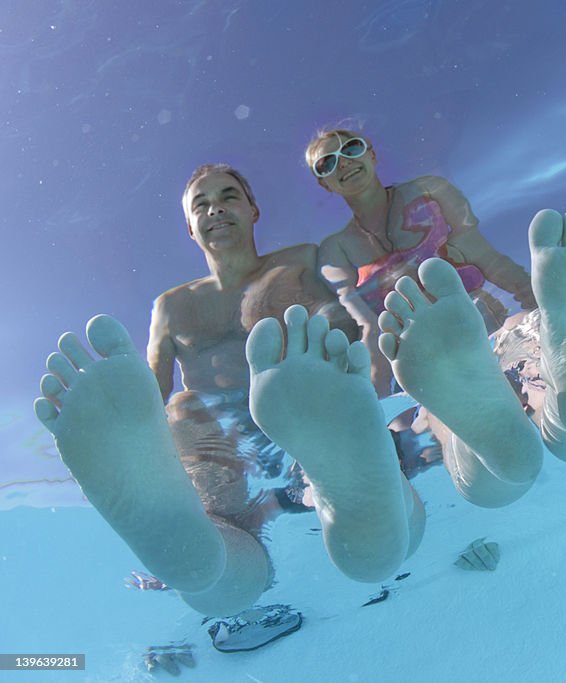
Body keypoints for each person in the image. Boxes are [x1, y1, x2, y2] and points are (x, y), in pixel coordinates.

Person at [34, 165, 425, 617]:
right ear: (190, 227)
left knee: (328, 453)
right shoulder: (171, 305)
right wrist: (133, 440)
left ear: (253, 209)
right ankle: (195, 541)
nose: (215, 207)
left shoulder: (300, 263)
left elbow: (353, 330)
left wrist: (371, 395)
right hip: (221, 437)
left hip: (303, 411)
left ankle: (216, 560)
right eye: (201, 204)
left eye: (228, 196)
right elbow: (150, 397)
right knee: (185, 412)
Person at [308, 129, 537, 396]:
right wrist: (380, 401)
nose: (343, 161)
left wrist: (538, 304)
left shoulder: (429, 191)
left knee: (525, 380)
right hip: (420, 350)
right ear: (324, 184)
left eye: (350, 148)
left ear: (371, 154)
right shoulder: (336, 249)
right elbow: (368, 327)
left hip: (479, 315)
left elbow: (484, 256)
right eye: (328, 163)